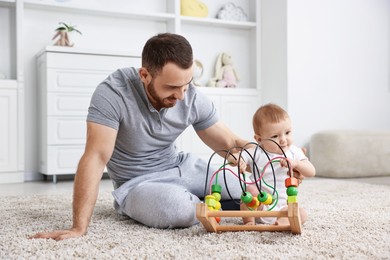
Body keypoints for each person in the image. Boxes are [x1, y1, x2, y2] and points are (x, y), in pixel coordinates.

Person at [31, 33, 249, 241]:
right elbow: (95, 158)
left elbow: (231, 142)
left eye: (186, 84)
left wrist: (271, 154)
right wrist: (78, 227)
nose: (181, 96)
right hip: (137, 184)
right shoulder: (113, 93)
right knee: (179, 210)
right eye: (172, 87)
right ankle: (211, 202)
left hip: (181, 167)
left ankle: (208, 201)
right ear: (144, 75)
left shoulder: (189, 96)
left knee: (251, 190)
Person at [239, 103, 316, 226]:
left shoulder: (293, 152)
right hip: (260, 205)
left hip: (283, 207)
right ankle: (249, 221)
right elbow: (239, 156)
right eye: (275, 136)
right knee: (249, 191)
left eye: (287, 132)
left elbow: (311, 171)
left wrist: (296, 164)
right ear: (259, 139)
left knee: (302, 214)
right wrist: (240, 162)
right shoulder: (257, 152)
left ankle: (281, 223)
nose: (283, 140)